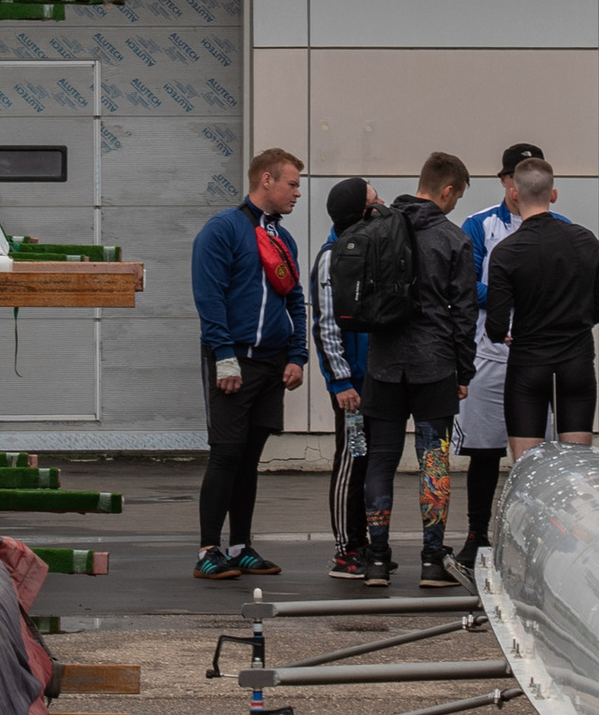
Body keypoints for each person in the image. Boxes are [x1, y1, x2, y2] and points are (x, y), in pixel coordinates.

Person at [334, 152, 477, 585]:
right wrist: (464, 371)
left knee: (380, 460)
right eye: (457, 197)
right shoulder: (453, 239)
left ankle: (377, 559)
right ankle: (432, 560)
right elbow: (464, 313)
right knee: (433, 461)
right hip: (435, 364)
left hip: (383, 365)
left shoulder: (376, 229)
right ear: (447, 190)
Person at [188, 147, 307, 579]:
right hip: (234, 360)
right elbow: (209, 296)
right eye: (292, 184)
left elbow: (295, 298)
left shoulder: (283, 239)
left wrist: (297, 356)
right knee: (226, 454)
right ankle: (208, 550)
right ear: (266, 180)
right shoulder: (223, 229)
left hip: (272, 365)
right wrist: (224, 356)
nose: (297, 193)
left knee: (250, 457)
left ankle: (240, 546)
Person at [484, 158, 599, 462]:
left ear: (515, 193)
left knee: (527, 466)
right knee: (578, 462)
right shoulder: (585, 240)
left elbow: (496, 326)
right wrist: (574, 323)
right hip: (576, 360)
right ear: (553, 194)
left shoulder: (506, 252)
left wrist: (508, 334)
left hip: (528, 364)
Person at [455, 140, 546, 558]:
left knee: (537, 454)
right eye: (514, 176)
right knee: (485, 452)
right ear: (505, 180)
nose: (519, 184)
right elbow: (464, 283)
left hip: (537, 353)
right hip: (489, 353)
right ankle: (477, 535)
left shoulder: (558, 225)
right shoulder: (479, 225)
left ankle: (535, 538)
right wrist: (511, 295)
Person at [312, 175, 378, 577]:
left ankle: (366, 542)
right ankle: (346, 548)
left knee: (370, 463)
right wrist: (341, 382)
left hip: (377, 377)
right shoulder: (332, 258)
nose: (382, 207)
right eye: (374, 202)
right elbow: (326, 325)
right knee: (352, 460)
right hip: (352, 384)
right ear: (359, 213)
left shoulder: (373, 250)